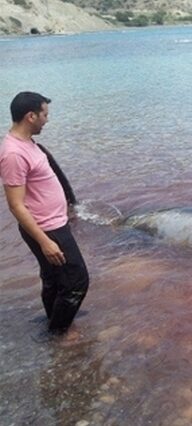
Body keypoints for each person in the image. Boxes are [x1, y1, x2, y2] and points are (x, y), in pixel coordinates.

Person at [0, 92, 89, 335]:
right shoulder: (13, 154)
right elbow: (16, 205)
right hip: (47, 229)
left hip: (51, 224)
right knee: (77, 282)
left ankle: (54, 320)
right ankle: (60, 332)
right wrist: (45, 241)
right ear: (31, 116)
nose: (47, 120)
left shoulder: (26, 143)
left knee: (53, 279)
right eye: (44, 115)